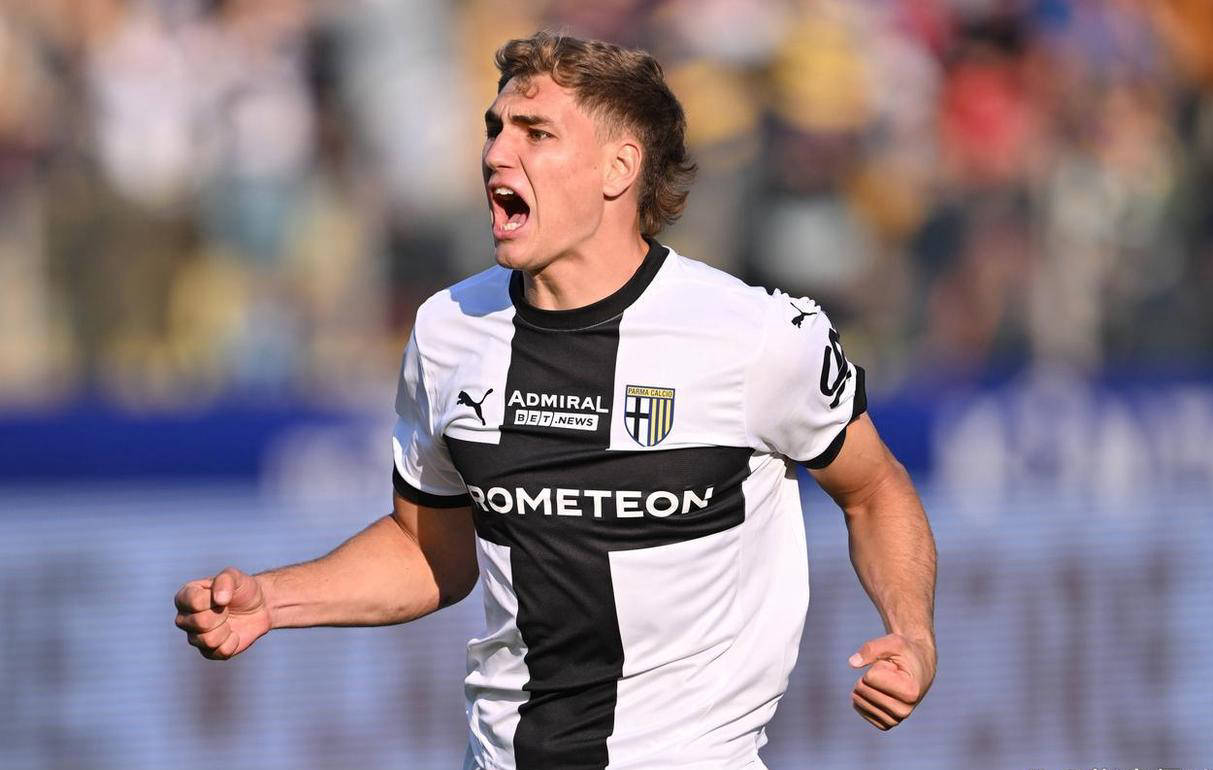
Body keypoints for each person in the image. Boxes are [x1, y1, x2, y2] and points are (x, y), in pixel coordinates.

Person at [174, 31, 937, 769]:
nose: (496, 154)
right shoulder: (449, 330)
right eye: (495, 128)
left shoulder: (753, 336)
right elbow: (428, 550)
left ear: (618, 167)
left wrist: (912, 635)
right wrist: (274, 600)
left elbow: (874, 490)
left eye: (535, 133)